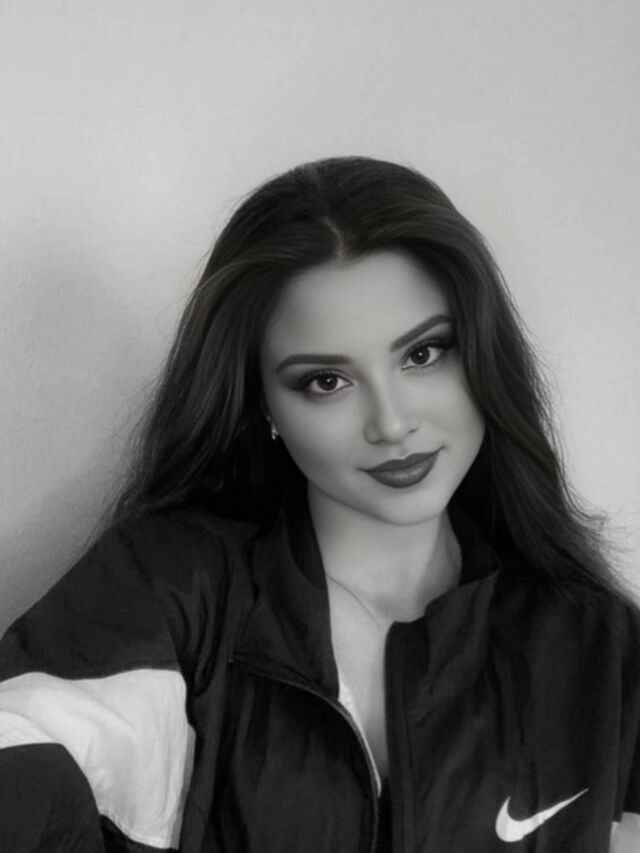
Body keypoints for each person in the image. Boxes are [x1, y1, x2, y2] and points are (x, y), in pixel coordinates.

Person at [0, 156, 638, 853]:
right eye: (327, 381)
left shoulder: (598, 647)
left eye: (424, 353)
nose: (392, 423)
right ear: (263, 406)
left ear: (484, 354)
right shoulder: (171, 591)